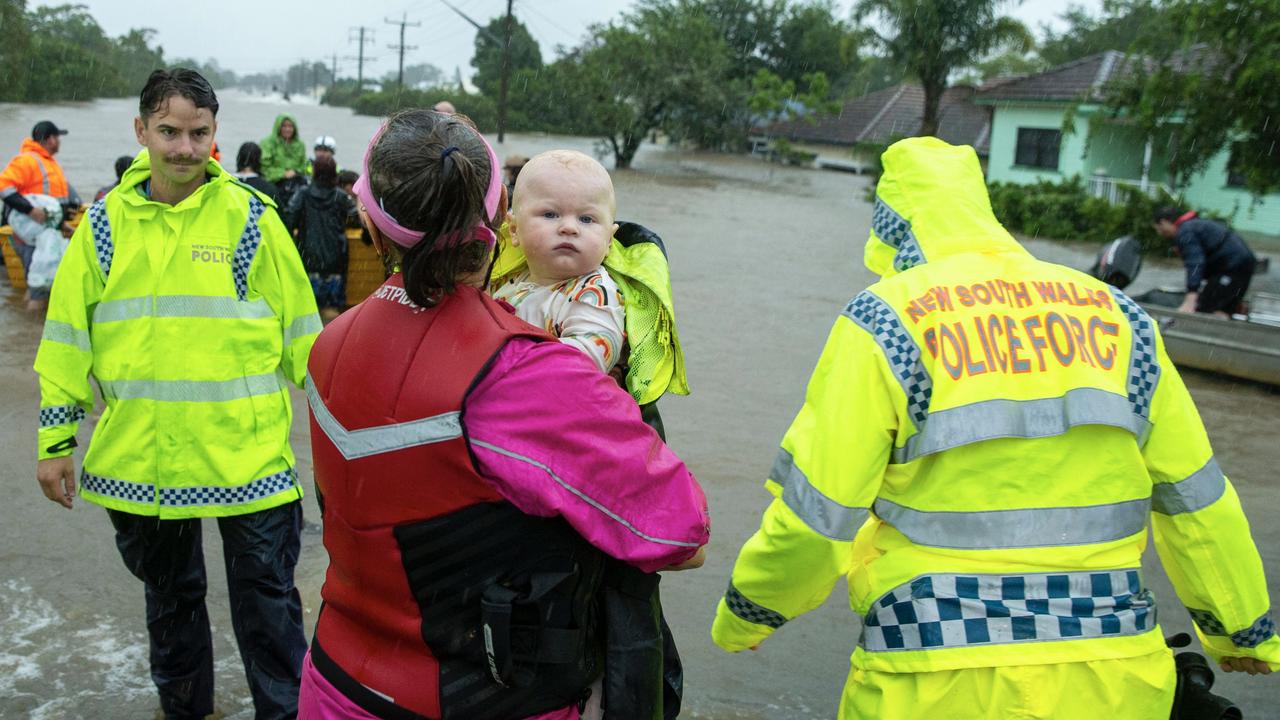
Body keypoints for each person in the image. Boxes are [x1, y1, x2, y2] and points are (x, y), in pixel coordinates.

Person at [711, 137, 1277, 719]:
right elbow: (1197, 500)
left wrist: (751, 611)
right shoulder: (1118, 315)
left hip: (932, 677)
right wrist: (1241, 630)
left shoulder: (887, 320)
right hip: (1115, 675)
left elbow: (818, 513)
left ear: (890, 227)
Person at [299, 109, 709, 720]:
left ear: (369, 223)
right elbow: (680, 534)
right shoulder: (527, 373)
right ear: (500, 222)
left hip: (333, 681)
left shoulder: (330, 343)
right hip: (478, 697)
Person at [34, 68, 322, 720]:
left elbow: (306, 342)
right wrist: (54, 444)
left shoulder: (254, 220)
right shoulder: (103, 226)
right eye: (169, 132)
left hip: (248, 461)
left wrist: (354, 439)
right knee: (171, 604)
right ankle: (187, 710)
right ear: (141, 131)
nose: (184, 149)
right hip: (145, 463)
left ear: (216, 134)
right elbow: (65, 347)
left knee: (270, 607)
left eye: (198, 133)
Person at [493, 150, 624, 374]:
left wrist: (502, 362)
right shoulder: (507, 279)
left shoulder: (594, 293)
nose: (569, 228)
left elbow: (587, 360)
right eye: (550, 214)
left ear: (609, 240)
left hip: (552, 399)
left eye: (586, 219)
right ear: (514, 230)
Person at [1, 120, 76, 309]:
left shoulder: (49, 163)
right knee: (40, 288)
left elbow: (51, 207)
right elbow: (3, 187)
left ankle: (23, 320)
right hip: (31, 235)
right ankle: (29, 332)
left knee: (38, 284)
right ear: (50, 139)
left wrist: (61, 225)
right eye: (57, 137)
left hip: (46, 232)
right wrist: (30, 210)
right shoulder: (27, 160)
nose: (59, 141)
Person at [284, 155, 355, 324]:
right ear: (333, 174)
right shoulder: (340, 197)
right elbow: (356, 216)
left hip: (309, 262)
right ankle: (329, 344)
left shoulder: (303, 194)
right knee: (332, 313)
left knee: (307, 311)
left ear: (315, 172)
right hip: (335, 263)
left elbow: (289, 219)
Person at [1153, 206, 1257, 316]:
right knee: (1223, 309)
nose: (1160, 233)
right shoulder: (1194, 225)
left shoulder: (1185, 231)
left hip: (1231, 267)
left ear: (1164, 222)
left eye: (1158, 228)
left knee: (1205, 308)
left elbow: (1195, 262)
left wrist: (1191, 296)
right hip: (1242, 264)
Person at [261, 112, 307, 205]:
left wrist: (295, 172)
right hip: (274, 186)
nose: (287, 129)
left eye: (290, 126)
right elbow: (264, 169)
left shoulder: (300, 145)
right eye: (284, 126)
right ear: (278, 127)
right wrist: (283, 174)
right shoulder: (267, 143)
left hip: (295, 187)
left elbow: (304, 166)